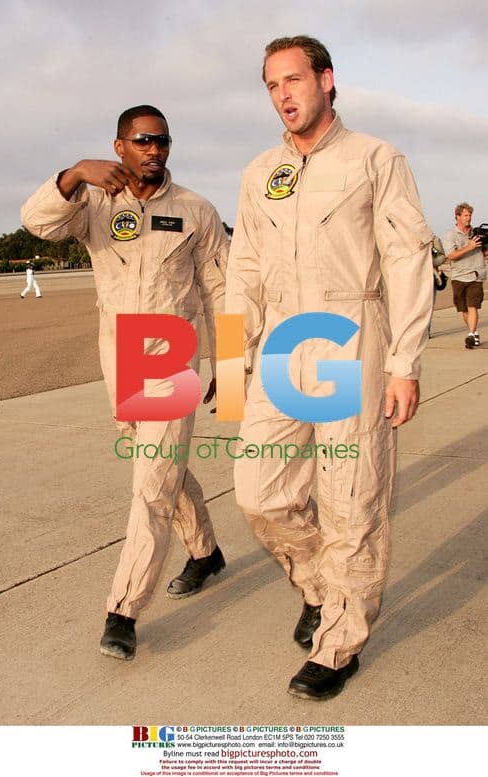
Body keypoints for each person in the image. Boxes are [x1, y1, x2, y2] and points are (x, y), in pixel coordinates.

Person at [226, 36, 433, 700]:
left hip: (351, 334)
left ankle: (340, 641)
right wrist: (232, 360)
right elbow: (245, 270)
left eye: (293, 79)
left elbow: (406, 262)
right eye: (271, 86)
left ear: (326, 79)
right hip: (285, 342)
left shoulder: (376, 159)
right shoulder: (261, 171)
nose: (283, 95)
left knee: (351, 500)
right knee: (258, 491)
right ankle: (322, 587)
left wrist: (403, 361)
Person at [21, 105, 229, 661]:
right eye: (142, 141)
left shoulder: (195, 209)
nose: (154, 150)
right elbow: (37, 223)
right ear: (119, 147)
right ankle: (205, 552)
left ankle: (124, 609)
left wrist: (229, 364)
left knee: (152, 484)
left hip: (174, 361)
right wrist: (73, 175)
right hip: (122, 362)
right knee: (163, 466)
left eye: (162, 141)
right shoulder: (93, 203)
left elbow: (221, 288)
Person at [443, 203, 486, 348]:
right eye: (465, 215)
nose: (468, 218)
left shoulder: (477, 233)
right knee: (465, 310)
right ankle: (474, 333)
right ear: (458, 217)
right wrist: (469, 247)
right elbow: (451, 255)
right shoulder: (450, 235)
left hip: (476, 274)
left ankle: (471, 334)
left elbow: (484, 253)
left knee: (472, 305)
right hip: (458, 276)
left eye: (470, 215)